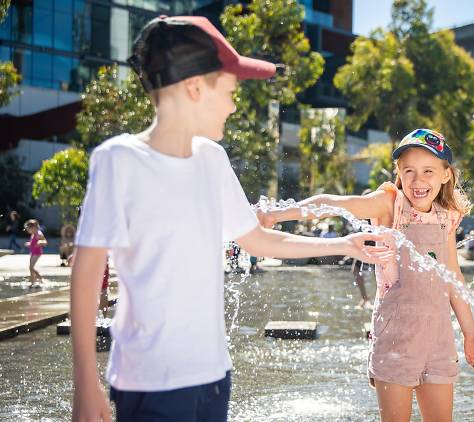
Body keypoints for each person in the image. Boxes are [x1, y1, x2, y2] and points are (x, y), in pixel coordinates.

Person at [70, 16, 391, 422]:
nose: (235, 104)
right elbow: (86, 270)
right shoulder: (119, 161)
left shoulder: (211, 159)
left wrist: (343, 245)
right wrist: (85, 380)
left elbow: (256, 239)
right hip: (149, 380)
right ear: (194, 87)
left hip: (213, 375)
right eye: (231, 90)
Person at [258, 128, 474, 421]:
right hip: (396, 337)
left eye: (428, 171)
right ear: (399, 173)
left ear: (446, 174)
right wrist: (276, 215)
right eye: (409, 171)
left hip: (439, 338)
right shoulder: (389, 204)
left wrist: (470, 331)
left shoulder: (447, 217)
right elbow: (335, 204)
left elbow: (453, 277)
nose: (418, 181)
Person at [24, 219, 46, 288]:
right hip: (33, 252)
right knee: (31, 267)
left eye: (28, 229)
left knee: (31, 267)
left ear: (33, 228)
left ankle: (37, 280)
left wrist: (41, 242)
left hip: (37, 252)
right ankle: (34, 281)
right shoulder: (33, 234)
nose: (28, 231)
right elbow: (33, 243)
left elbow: (45, 242)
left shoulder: (38, 234)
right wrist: (29, 244)